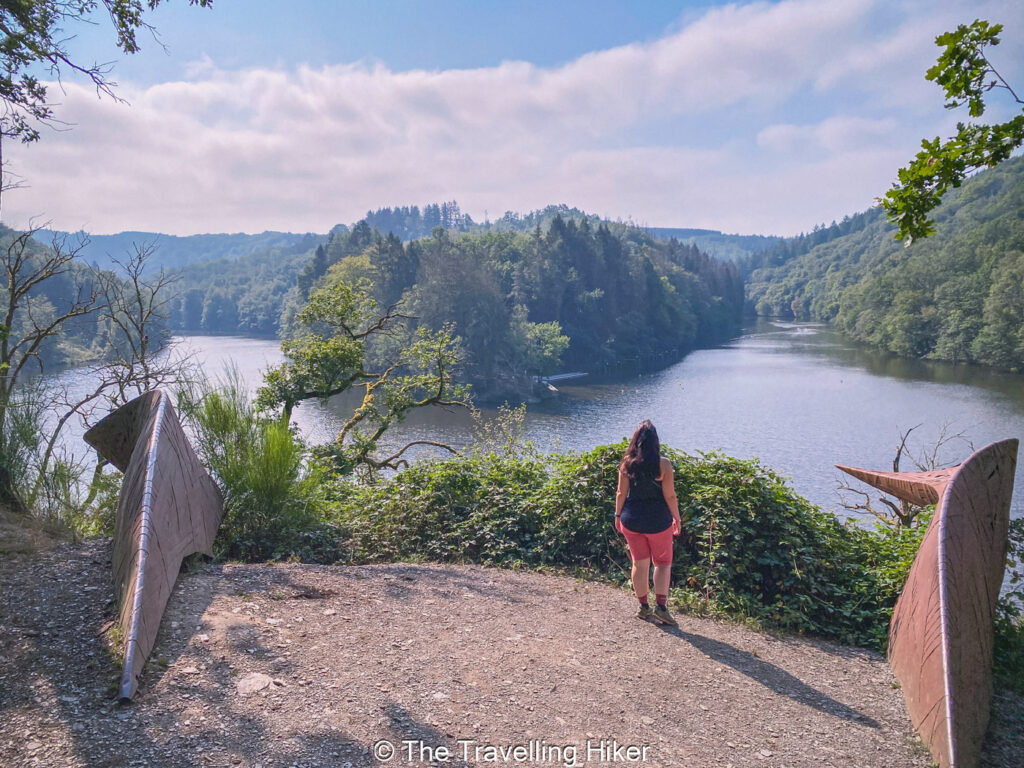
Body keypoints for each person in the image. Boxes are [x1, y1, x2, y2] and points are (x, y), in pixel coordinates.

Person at [615, 420, 681, 625]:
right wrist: (677, 518)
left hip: (631, 520)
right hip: (658, 522)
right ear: (655, 442)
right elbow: (670, 496)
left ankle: (643, 607)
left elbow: (620, 493)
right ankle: (661, 607)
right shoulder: (664, 464)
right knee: (662, 564)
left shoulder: (626, 463)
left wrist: (617, 517)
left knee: (639, 563)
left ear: (635, 441)